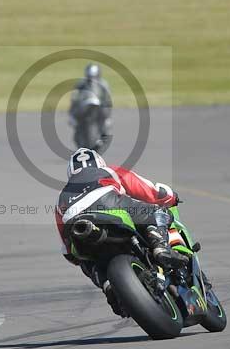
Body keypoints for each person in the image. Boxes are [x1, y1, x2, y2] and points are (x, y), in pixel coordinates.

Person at [54, 147, 187, 316]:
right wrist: (170, 197)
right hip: (107, 204)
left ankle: (107, 286)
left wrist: (80, 259)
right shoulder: (108, 170)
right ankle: (160, 246)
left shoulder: (61, 195)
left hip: (74, 224)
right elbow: (148, 191)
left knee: (83, 259)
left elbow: (67, 250)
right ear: (99, 162)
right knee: (157, 212)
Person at [69, 63, 113, 150]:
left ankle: (102, 136)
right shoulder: (81, 84)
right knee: (76, 122)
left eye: (94, 77)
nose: (92, 80)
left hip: (99, 107)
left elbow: (108, 100)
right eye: (90, 77)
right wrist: (72, 114)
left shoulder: (104, 84)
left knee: (105, 122)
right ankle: (79, 137)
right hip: (85, 106)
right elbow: (74, 98)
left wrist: (108, 116)